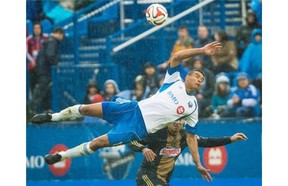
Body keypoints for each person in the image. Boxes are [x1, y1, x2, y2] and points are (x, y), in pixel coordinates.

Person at [31, 41, 222, 182]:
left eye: (202, 81)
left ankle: (60, 156)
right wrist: (202, 51)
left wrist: (198, 164)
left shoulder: (192, 107)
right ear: (187, 77)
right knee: (88, 108)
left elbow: (190, 138)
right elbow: (176, 57)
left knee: (98, 143)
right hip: (132, 108)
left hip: (136, 128)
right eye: (196, 77)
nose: (199, 81)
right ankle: (52, 116)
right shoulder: (174, 81)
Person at [128, 120, 248, 186]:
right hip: (147, 176)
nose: (177, 122)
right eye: (175, 119)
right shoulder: (156, 132)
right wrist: (143, 149)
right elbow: (132, 141)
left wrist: (231, 139)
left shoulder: (185, 136)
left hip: (164, 180)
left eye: (180, 119)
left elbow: (207, 141)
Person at [29, 27, 65, 115]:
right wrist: (55, 64)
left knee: (43, 90)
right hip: (46, 70)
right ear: (59, 33)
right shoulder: (52, 41)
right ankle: (31, 111)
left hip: (42, 69)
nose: (62, 38)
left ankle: (36, 109)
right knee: (41, 90)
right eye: (62, 35)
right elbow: (50, 55)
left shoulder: (48, 40)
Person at [26, 22, 48, 95]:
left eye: (38, 28)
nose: (37, 30)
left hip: (43, 66)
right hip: (33, 66)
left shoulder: (46, 37)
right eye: (35, 28)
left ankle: (45, 105)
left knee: (44, 87)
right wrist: (32, 61)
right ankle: (33, 104)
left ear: (41, 29)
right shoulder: (29, 39)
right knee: (33, 85)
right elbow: (26, 52)